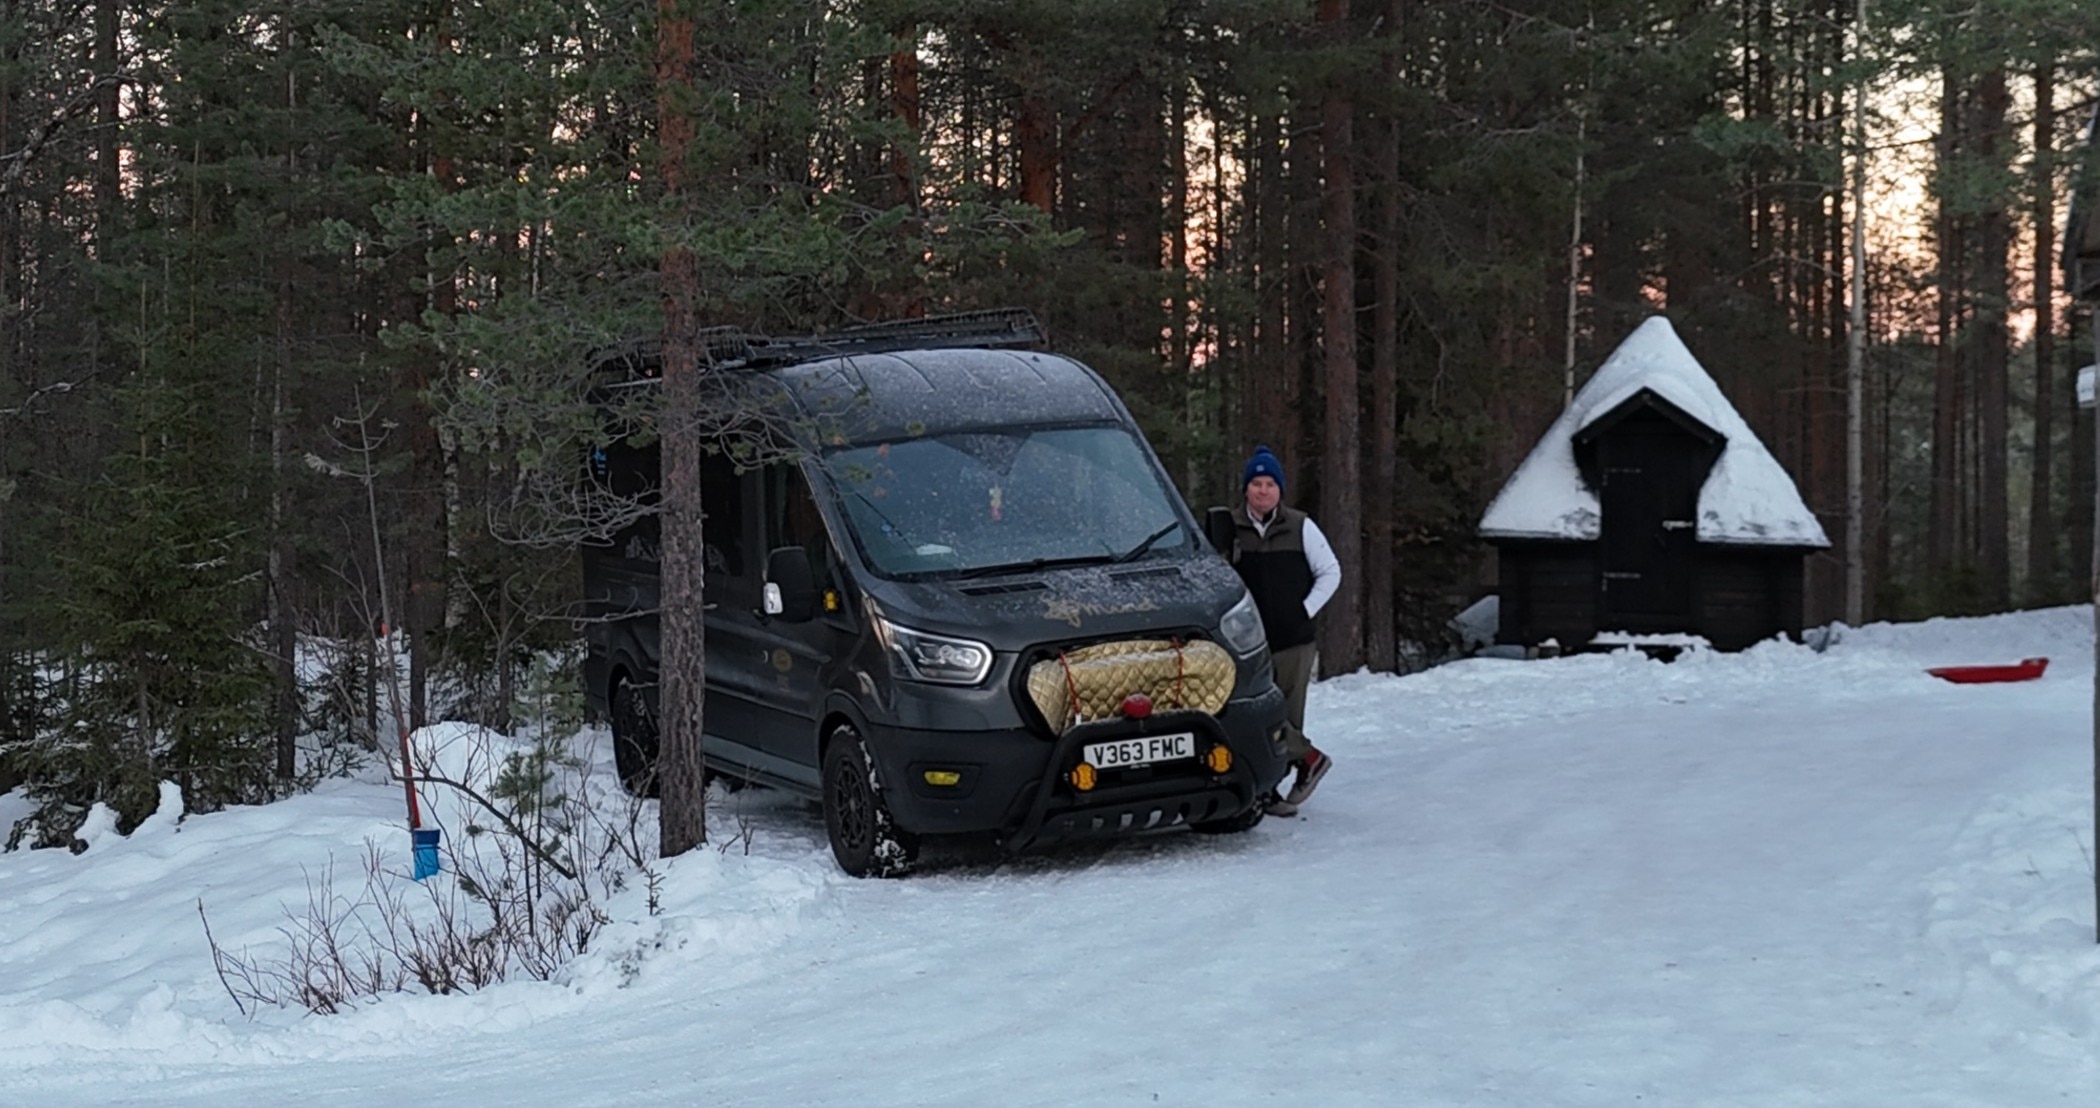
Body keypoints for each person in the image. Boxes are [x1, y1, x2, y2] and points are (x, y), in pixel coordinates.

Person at [1226, 445, 1339, 817]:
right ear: (1245, 489)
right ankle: (1309, 759)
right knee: (1258, 717)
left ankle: (1272, 789)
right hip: (1247, 644)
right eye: (1256, 483)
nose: (1262, 490)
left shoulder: (1301, 526)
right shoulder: (1229, 529)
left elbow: (1330, 572)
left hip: (1293, 642)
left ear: (1280, 490)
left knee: (1288, 715)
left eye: (1269, 483)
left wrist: (1303, 610)